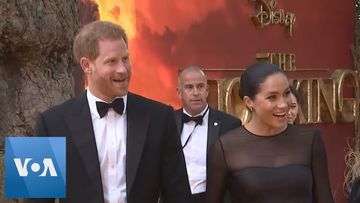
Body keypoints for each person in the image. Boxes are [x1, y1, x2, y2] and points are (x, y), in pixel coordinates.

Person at [26, 21, 191, 203]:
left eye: (125, 59)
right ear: (86, 65)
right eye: (111, 61)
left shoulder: (161, 116)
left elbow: (179, 194)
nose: (123, 69)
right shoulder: (48, 122)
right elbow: (34, 198)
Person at [205, 61, 334, 203]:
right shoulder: (225, 148)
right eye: (272, 97)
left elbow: (324, 199)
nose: (283, 104)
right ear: (249, 102)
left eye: (286, 94)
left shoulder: (310, 141)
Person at [175, 65, 241, 203]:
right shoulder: (167, 122)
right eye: (189, 87)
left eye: (200, 87)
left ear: (207, 91)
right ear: (179, 92)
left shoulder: (229, 125)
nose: (195, 92)